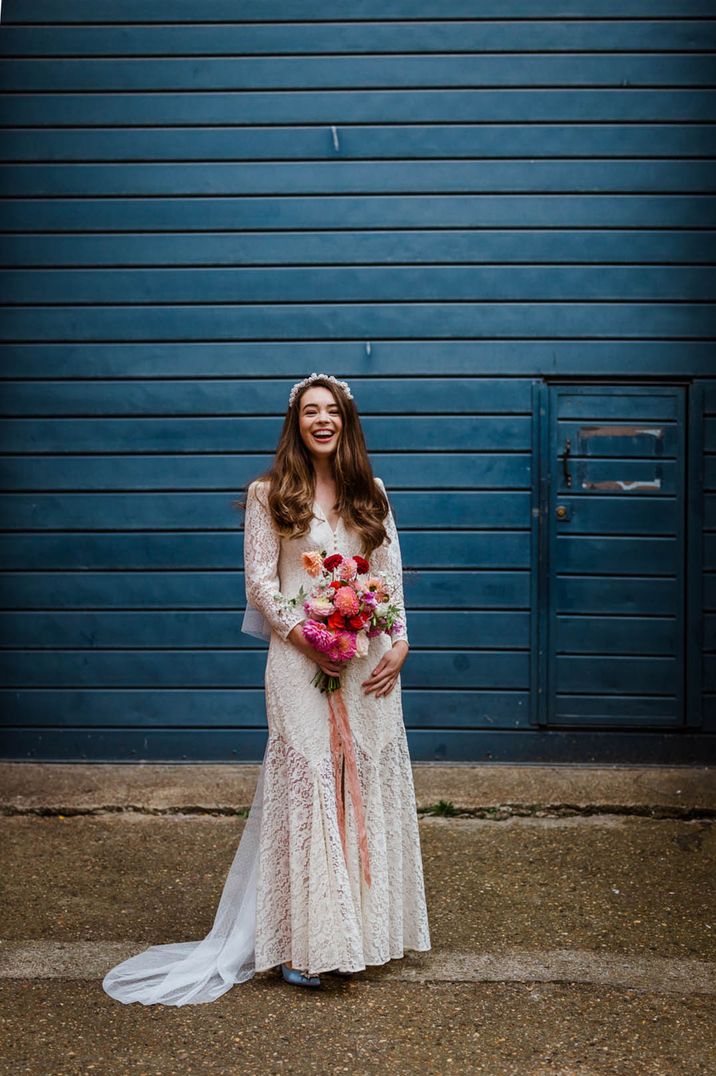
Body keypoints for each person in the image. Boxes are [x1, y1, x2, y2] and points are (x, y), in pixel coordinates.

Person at [102, 372, 431, 1005]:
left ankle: (361, 933)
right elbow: (260, 582)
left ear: (347, 420)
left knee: (362, 778)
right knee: (308, 781)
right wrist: (310, 637)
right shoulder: (269, 493)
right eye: (310, 412)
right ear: (296, 424)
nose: (322, 420)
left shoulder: (373, 492)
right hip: (299, 658)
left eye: (331, 410)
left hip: (366, 662)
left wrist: (400, 642)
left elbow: (387, 576)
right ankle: (304, 943)